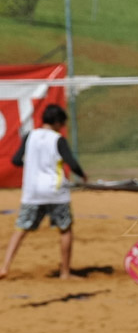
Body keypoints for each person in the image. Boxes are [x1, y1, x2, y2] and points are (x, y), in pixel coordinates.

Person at [0, 104, 86, 280]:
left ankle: (4, 266)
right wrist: (83, 176)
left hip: (32, 192)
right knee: (65, 229)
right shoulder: (57, 139)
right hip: (55, 191)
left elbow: (16, 160)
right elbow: (72, 162)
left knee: (21, 228)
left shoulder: (30, 136)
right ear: (57, 122)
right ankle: (65, 272)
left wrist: (31, 165)